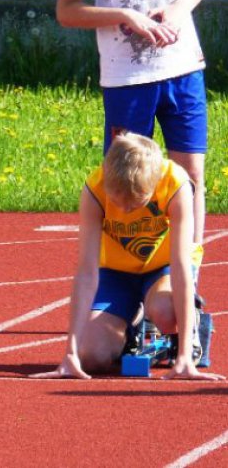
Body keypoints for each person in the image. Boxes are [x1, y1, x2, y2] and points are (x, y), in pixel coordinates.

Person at [55, 0, 213, 260]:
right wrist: (125, 16)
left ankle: (188, 271)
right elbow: (67, 11)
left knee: (190, 172)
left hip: (182, 68)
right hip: (127, 78)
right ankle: (129, 275)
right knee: (127, 180)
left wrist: (177, 10)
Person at [33, 133, 222, 381]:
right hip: (114, 272)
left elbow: (181, 266)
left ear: (153, 185)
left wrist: (185, 357)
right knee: (91, 357)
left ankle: (185, 331)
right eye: (117, 202)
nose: (123, 211)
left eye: (134, 206)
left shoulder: (176, 184)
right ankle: (134, 331)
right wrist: (71, 353)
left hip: (163, 267)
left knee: (165, 312)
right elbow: (87, 271)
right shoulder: (95, 189)